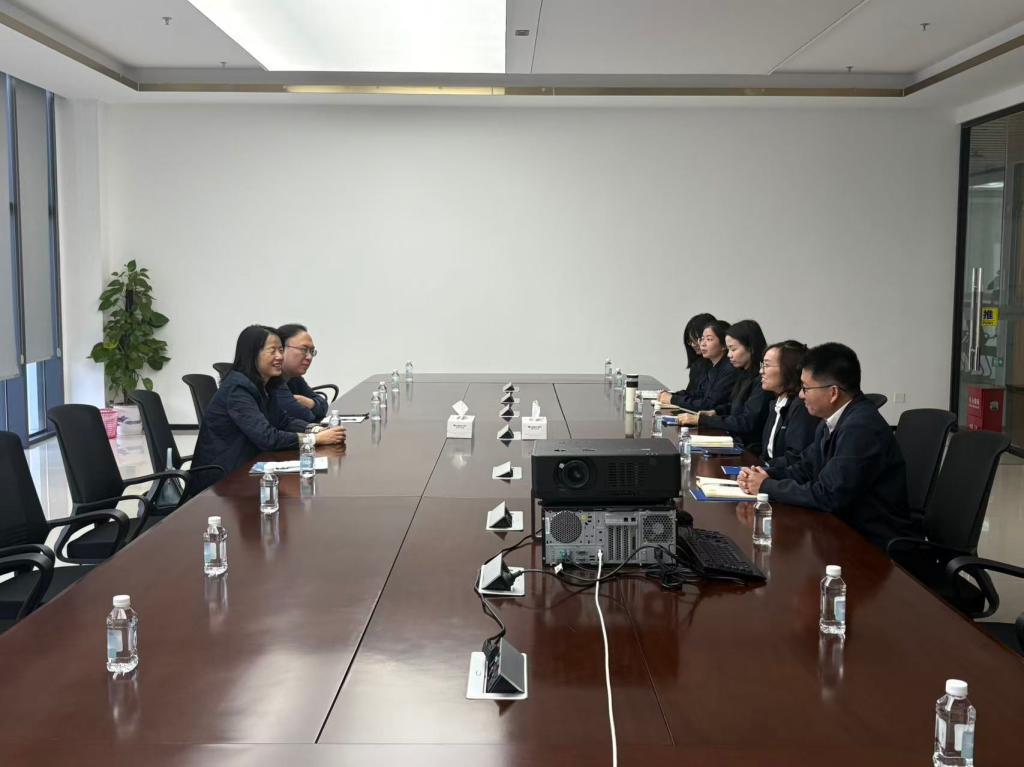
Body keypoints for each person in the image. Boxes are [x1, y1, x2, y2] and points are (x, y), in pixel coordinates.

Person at [737, 342, 917, 549]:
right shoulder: (832, 420)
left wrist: (766, 486)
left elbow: (828, 495)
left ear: (833, 393)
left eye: (806, 388)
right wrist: (764, 474)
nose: (801, 395)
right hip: (841, 529)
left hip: (871, 542)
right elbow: (805, 467)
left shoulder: (861, 427)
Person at [190, 325, 346, 494]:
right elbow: (267, 437)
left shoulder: (267, 384)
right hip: (221, 483)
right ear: (253, 354)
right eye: (273, 351)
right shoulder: (237, 389)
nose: (280, 356)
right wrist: (314, 439)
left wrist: (317, 429)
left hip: (248, 468)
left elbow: (284, 422)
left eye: (281, 350)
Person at [677, 319, 770, 453]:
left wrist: (704, 420)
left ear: (751, 348)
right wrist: (716, 412)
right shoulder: (744, 373)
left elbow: (746, 422)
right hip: (735, 441)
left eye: (733, 349)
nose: (729, 355)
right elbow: (735, 406)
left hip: (747, 449)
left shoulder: (762, 381)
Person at [758, 340, 820, 467]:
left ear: (788, 369)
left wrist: (763, 469)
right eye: (762, 365)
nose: (761, 371)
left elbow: (795, 459)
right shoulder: (777, 402)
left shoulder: (802, 406)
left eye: (767, 365)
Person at [659, 319, 736, 412]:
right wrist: (672, 395)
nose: (702, 344)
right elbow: (698, 394)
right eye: (702, 339)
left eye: (709, 339)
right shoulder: (712, 367)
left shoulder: (729, 369)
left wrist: (672, 399)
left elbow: (708, 405)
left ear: (724, 345)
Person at [276, 323, 329, 424]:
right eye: (304, 350)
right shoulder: (271, 378)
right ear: (281, 349)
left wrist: (311, 403)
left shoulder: (294, 377)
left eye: (312, 351)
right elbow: (305, 416)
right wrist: (313, 410)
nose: (309, 357)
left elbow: (323, 405)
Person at [680, 312, 717, 397]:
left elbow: (707, 401)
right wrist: (671, 396)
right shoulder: (697, 365)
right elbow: (690, 394)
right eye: (690, 341)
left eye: (698, 339)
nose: (693, 344)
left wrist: (672, 398)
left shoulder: (724, 367)